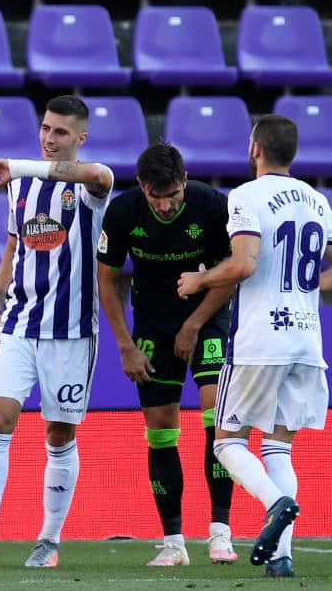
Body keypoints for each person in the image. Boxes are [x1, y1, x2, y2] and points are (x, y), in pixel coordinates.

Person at [177, 114, 332, 578]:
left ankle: (277, 502)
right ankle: (282, 559)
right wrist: (301, 294)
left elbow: (243, 265)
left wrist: (200, 278)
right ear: (292, 153)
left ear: (255, 147)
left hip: (259, 342)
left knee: (226, 443)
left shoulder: (246, 196)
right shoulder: (317, 200)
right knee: (278, 449)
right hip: (305, 341)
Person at [0, 96, 114, 569]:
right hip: (20, 322)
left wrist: (24, 165)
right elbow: (12, 243)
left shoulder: (89, 186)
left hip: (71, 331)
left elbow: (100, 175)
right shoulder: (21, 185)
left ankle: (49, 538)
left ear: (80, 138)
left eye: (61, 132)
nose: (49, 138)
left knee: (59, 433)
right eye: (46, 128)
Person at [96, 143, 238, 567]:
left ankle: (220, 533)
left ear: (185, 181)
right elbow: (107, 281)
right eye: (155, 196)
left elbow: (230, 275)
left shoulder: (212, 205)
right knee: (160, 429)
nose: (164, 205)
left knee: (217, 417)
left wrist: (194, 325)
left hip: (208, 315)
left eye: (172, 195)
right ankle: (173, 543)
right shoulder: (123, 212)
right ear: (141, 186)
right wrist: (124, 346)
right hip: (152, 324)